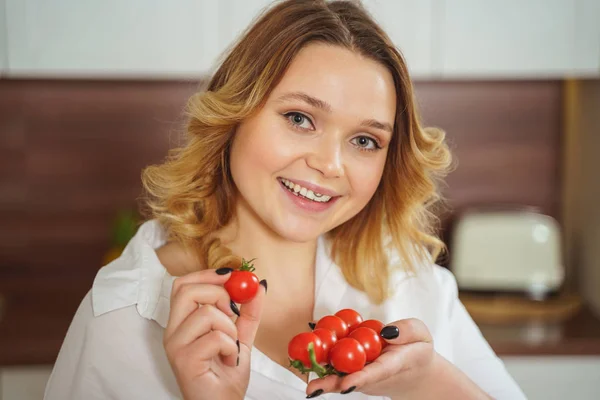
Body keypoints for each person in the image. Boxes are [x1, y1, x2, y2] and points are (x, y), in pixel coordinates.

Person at [44, 1, 526, 399]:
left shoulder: (413, 287)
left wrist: (431, 383)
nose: (330, 164)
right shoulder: (125, 318)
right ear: (234, 115)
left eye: (364, 141)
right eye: (300, 118)